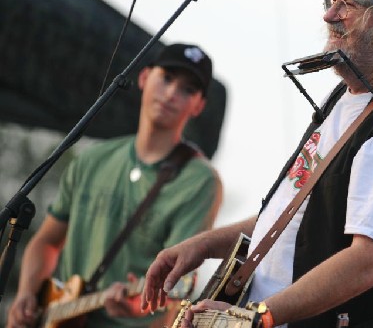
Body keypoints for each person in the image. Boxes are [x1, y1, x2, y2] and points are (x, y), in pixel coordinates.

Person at [142, 0, 373, 328]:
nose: (329, 15)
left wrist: (259, 316)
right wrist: (203, 245)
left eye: (348, 4)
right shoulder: (346, 99)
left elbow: (369, 262)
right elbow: (291, 218)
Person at [7, 43, 223, 328]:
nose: (171, 94)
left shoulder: (200, 182)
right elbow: (46, 242)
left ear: (199, 105)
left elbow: (176, 285)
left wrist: (136, 305)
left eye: (187, 90)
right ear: (144, 78)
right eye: (167, 78)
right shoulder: (92, 159)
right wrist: (26, 293)